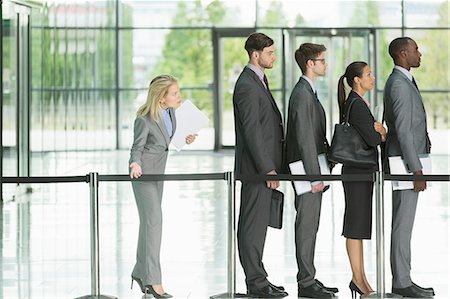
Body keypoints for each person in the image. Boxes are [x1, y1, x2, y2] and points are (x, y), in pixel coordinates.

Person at [129, 75, 196, 298]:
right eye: (175, 93)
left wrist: (184, 139)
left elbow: (167, 139)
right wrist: (134, 163)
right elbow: (136, 147)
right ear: (161, 97)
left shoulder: (170, 113)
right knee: (154, 222)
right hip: (143, 175)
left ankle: (140, 271)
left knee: (148, 223)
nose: (179, 97)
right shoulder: (144, 119)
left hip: (159, 175)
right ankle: (153, 281)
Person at [232, 32, 288, 298]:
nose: (273, 57)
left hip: (263, 167)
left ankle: (259, 277)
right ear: (256, 54)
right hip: (257, 170)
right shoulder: (247, 85)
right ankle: (256, 282)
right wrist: (267, 167)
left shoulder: (258, 81)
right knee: (252, 226)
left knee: (259, 225)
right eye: (269, 53)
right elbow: (252, 130)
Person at [285, 43, 339, 298]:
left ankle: (310, 278)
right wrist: (313, 176)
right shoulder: (302, 94)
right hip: (306, 170)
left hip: (312, 166)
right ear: (310, 63)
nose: (325, 64)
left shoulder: (309, 91)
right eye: (321, 60)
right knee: (306, 225)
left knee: (311, 225)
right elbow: (305, 138)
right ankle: (305, 282)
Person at [384, 37, 434, 298]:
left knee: (404, 223)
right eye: (415, 49)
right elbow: (402, 131)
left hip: (407, 161)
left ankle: (404, 278)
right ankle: (402, 282)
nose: (419, 53)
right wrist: (416, 169)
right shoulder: (399, 85)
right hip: (405, 164)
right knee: (402, 224)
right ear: (403, 53)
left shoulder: (403, 81)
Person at [336, 61, 386, 298]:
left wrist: (377, 130)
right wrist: (381, 131)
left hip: (358, 172)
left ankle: (361, 278)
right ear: (356, 80)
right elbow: (373, 139)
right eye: (368, 74)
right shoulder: (357, 105)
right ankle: (358, 279)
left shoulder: (357, 103)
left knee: (359, 225)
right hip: (357, 172)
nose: (372, 77)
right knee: (355, 226)